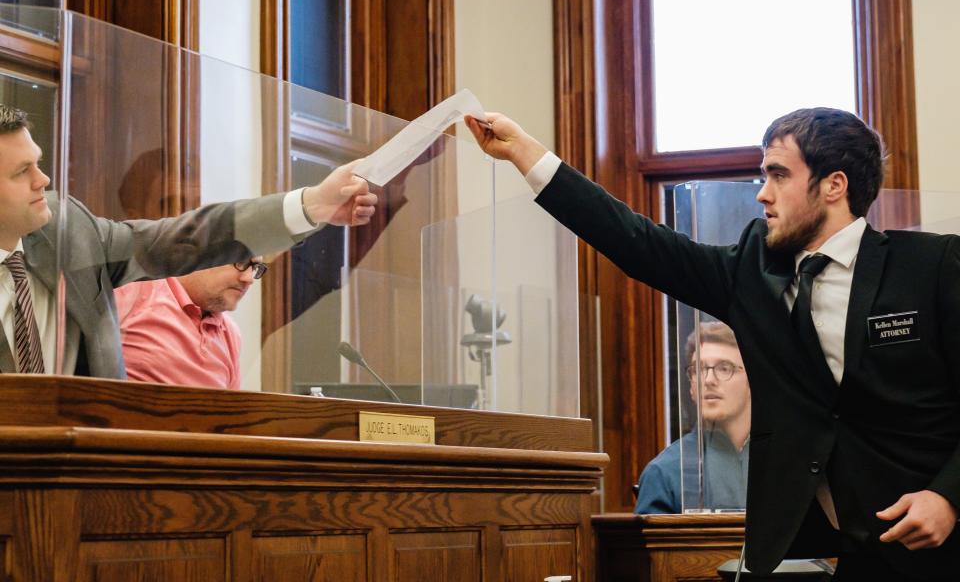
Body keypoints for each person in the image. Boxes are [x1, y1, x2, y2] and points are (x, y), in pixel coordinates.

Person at [466, 107, 960, 581]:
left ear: (834, 185)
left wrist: (948, 498)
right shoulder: (750, 272)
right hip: (855, 552)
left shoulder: (933, 266)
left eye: (779, 175)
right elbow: (636, 242)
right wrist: (526, 154)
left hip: (947, 542)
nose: (762, 194)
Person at [0, 103, 376, 378]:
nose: (43, 180)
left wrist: (315, 203)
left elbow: (188, 237)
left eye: (38, 163)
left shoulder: (69, 229)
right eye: (22, 172)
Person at [634, 320, 750, 514]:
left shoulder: (782, 463)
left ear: (752, 381)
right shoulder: (664, 473)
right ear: (690, 387)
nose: (708, 380)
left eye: (724, 368)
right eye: (699, 370)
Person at [113, 257, 269, 389]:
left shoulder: (230, 333)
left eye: (255, 267)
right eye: (240, 262)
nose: (249, 279)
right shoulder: (134, 292)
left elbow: (232, 415)